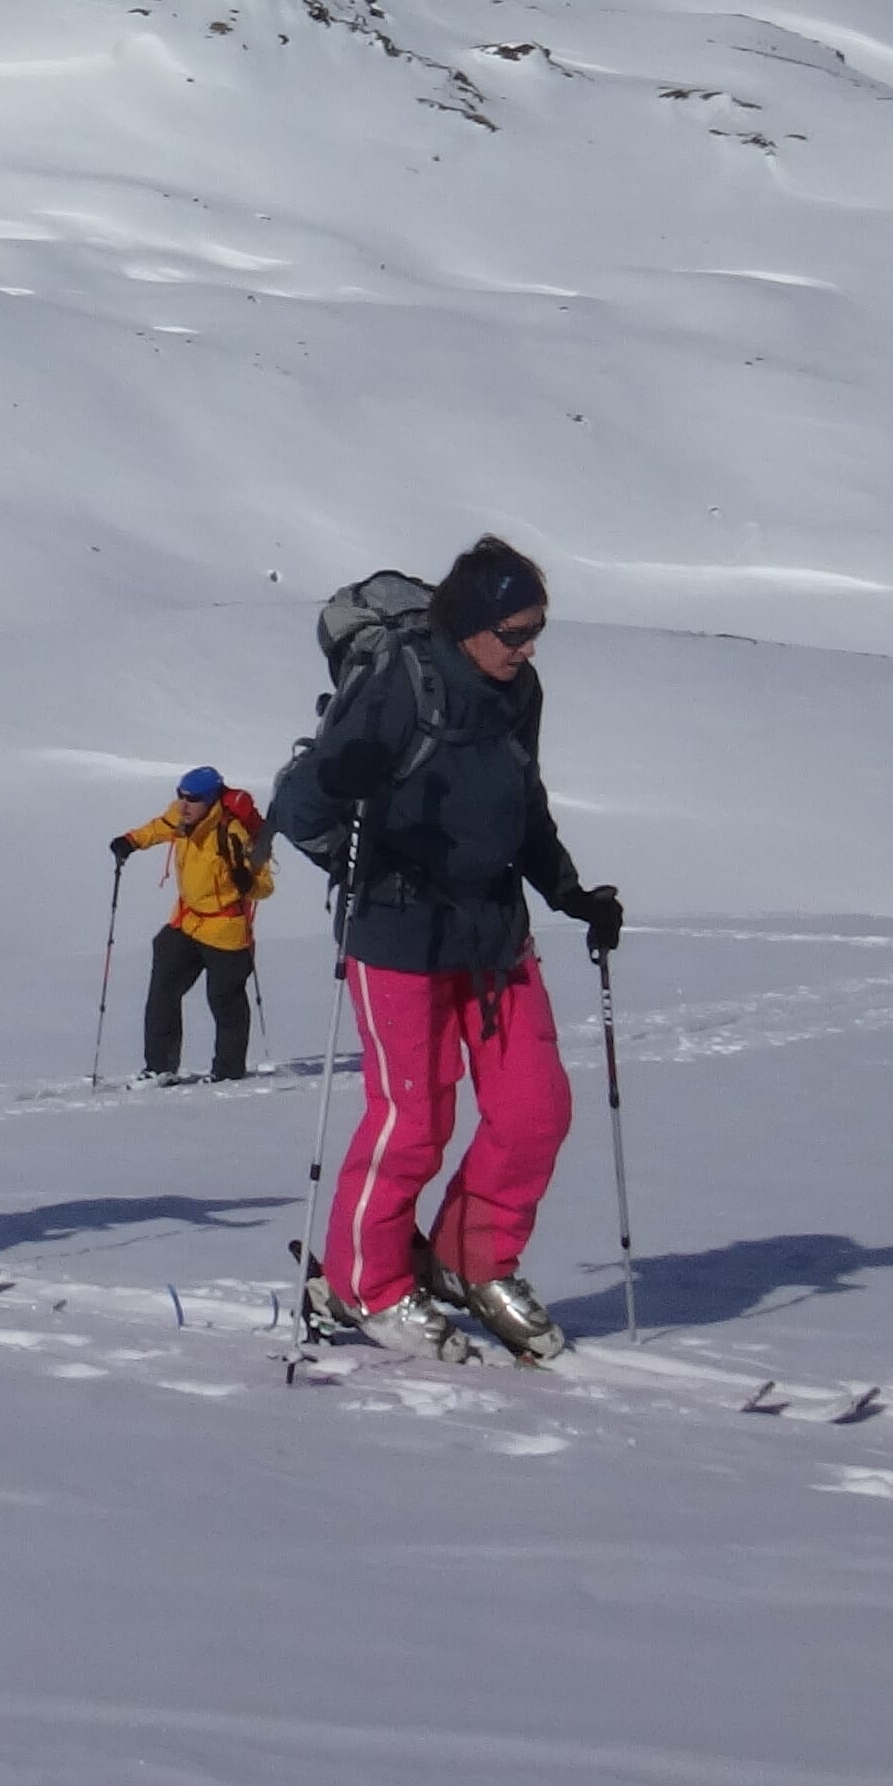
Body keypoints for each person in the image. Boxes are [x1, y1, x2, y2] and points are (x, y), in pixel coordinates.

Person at [267, 536, 620, 1362]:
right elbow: (300, 802)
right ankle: (365, 1284)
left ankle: (470, 1259)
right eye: (515, 631)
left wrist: (567, 890)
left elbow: (521, 800)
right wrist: (351, 815)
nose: (529, 646)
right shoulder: (400, 680)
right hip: (398, 932)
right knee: (414, 1119)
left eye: (537, 629)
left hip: (492, 931)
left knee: (536, 1110)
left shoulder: (517, 690)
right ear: (468, 625)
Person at [110, 763, 270, 1080]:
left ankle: (228, 1073)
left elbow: (264, 886)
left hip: (225, 930)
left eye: (192, 798)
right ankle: (159, 1069)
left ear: (210, 800)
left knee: (226, 1003)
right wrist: (131, 841)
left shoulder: (232, 833)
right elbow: (159, 826)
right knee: (162, 993)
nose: (183, 804)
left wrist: (245, 882)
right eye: (180, 795)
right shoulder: (181, 818)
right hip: (186, 923)